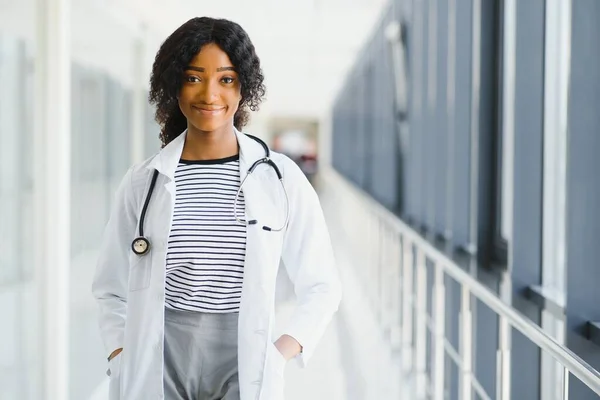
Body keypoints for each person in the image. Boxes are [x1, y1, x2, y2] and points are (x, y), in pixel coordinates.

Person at [92, 16, 342, 400]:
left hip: (244, 354)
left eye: (226, 79)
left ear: (245, 88)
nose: (210, 94)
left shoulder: (280, 178)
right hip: (159, 355)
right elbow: (110, 288)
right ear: (173, 84)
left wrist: (278, 355)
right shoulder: (143, 181)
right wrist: (121, 354)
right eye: (193, 77)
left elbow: (322, 285)